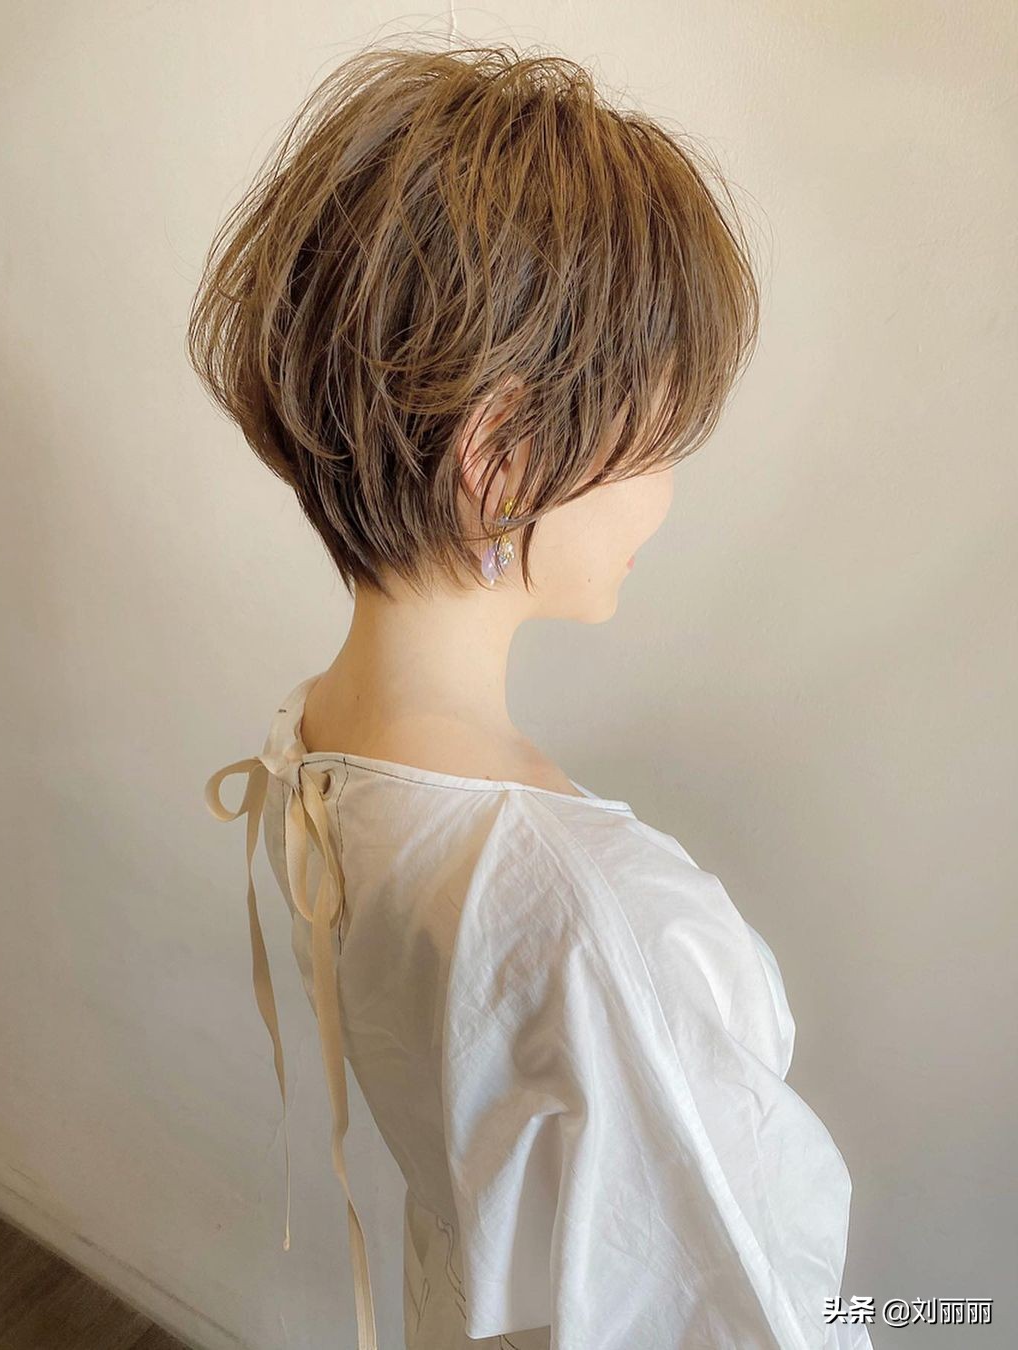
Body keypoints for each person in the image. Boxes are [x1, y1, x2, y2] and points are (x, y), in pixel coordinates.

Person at [193, 40, 872, 1350]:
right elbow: (755, 1312)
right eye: (661, 440)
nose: (667, 495)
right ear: (502, 457)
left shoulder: (317, 740)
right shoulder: (588, 914)